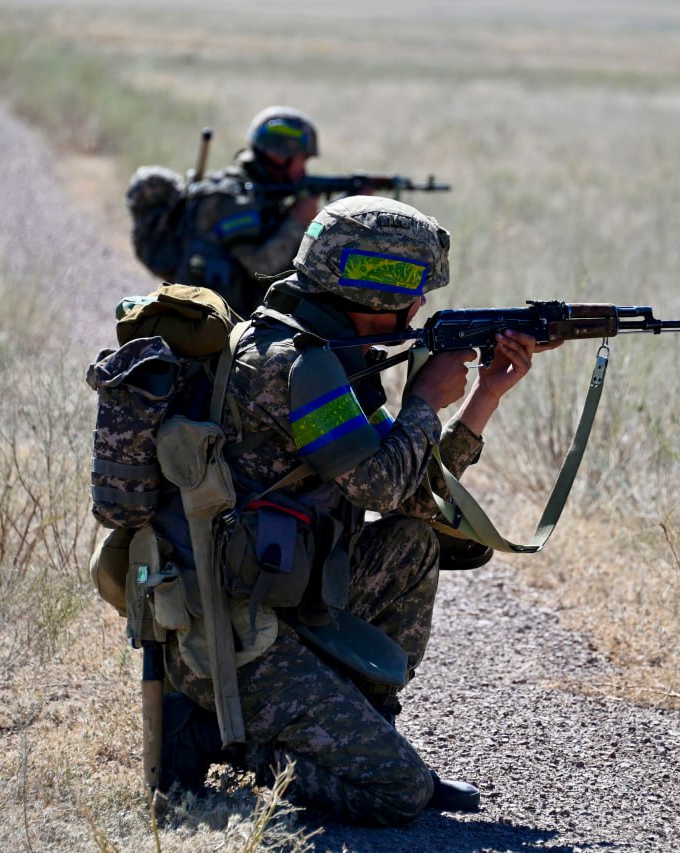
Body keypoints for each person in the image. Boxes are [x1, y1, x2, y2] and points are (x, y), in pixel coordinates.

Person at [156, 195, 549, 825]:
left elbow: (414, 496)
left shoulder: (330, 356)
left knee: (410, 544)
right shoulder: (293, 363)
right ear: (371, 289)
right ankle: (215, 734)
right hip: (237, 632)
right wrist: (425, 402)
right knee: (399, 796)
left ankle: (370, 730)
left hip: (286, 599)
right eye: (414, 288)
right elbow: (377, 488)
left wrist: (483, 400)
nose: (421, 304)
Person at [175, 106, 322, 316]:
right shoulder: (234, 199)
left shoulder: (262, 193)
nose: (304, 171)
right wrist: (299, 220)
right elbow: (260, 268)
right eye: (302, 159)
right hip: (212, 320)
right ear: (279, 156)